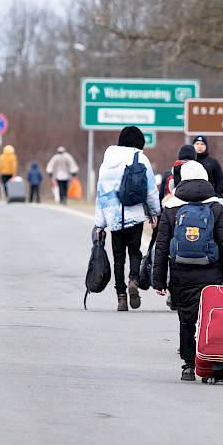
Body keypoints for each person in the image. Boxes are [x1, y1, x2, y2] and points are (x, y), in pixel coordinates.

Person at [152, 160, 223, 381]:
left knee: (186, 319)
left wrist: (159, 280)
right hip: (212, 272)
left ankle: (189, 366)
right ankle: (209, 361)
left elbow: (161, 247)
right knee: (212, 318)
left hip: (181, 273)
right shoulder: (217, 208)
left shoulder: (171, 208)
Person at [94, 126, 161, 312]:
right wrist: (154, 213)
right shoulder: (141, 158)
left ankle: (121, 296)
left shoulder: (106, 162)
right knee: (135, 251)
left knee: (118, 257)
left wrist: (100, 223)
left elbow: (101, 194)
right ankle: (133, 280)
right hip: (134, 214)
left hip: (113, 217)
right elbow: (150, 190)